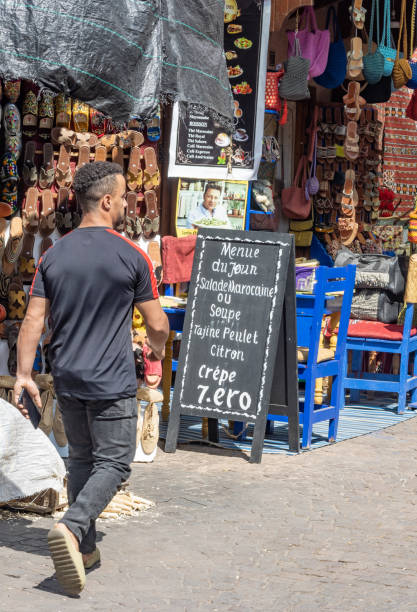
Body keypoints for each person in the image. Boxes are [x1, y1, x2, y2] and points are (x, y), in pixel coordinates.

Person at [13, 161, 169, 596]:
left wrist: (24, 375)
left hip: (67, 376)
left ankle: (83, 550)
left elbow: (32, 321)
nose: (125, 204)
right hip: (110, 379)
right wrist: (157, 350)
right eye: (122, 197)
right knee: (116, 462)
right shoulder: (130, 254)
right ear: (105, 201)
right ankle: (73, 525)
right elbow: (157, 324)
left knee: (81, 459)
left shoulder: (53, 255)